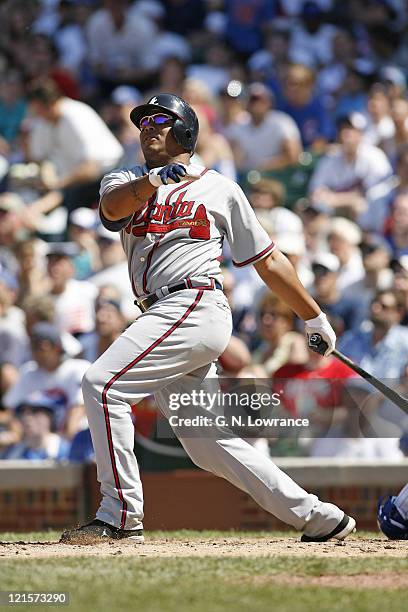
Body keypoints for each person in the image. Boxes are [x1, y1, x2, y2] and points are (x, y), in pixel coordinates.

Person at [61, 93, 355, 544]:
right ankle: (319, 517)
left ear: (185, 131)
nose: (148, 127)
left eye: (160, 120)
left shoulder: (219, 187)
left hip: (194, 304)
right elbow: (113, 211)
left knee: (102, 385)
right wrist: (155, 180)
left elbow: (268, 260)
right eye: (142, 122)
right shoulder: (126, 179)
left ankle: (119, 515)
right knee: (207, 443)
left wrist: (313, 317)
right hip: (158, 311)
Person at [25, 78, 123, 219]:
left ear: (50, 104)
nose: (37, 114)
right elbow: (39, 158)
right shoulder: (43, 121)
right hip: (71, 180)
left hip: (107, 175)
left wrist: (58, 184)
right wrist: (48, 175)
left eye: (38, 109)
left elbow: (90, 169)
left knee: (69, 202)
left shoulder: (76, 115)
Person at [3, 322, 90, 440]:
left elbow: (78, 410)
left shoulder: (78, 369)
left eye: (41, 347)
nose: (36, 353)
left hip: (71, 440)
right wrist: (15, 432)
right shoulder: (28, 371)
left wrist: (67, 445)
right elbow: (11, 409)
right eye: (33, 347)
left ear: (57, 347)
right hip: (36, 444)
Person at [226, 82, 302, 174]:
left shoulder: (282, 122)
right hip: (246, 176)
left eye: (259, 100)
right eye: (251, 100)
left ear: (269, 102)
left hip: (277, 175)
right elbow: (229, 156)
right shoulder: (239, 124)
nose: (255, 104)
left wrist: (265, 167)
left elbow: (293, 156)